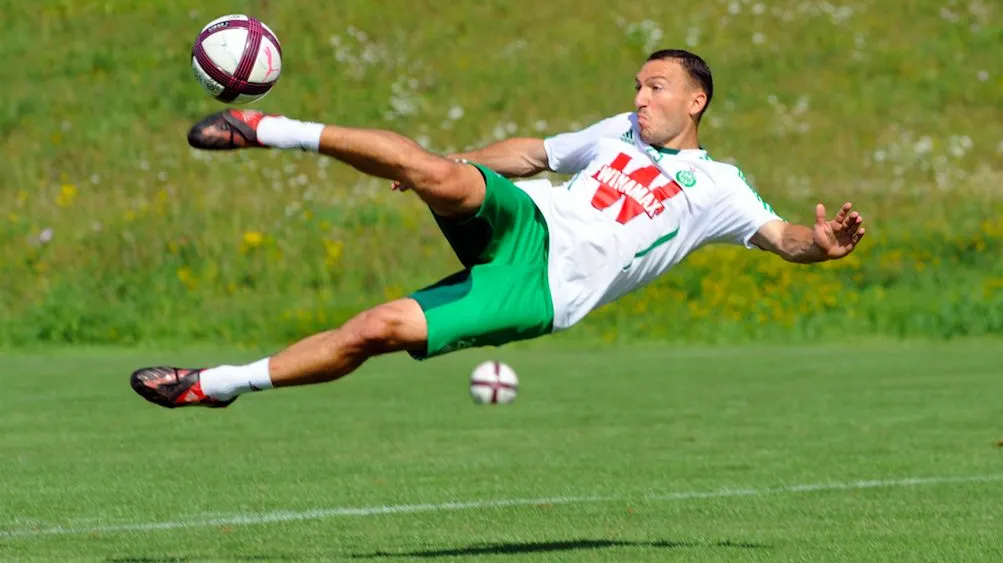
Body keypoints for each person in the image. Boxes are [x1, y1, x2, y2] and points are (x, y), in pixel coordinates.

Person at [130, 49, 865, 409]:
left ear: (696, 100)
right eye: (637, 85)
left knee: (374, 329)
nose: (638, 96)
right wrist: (447, 162)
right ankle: (267, 128)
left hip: (543, 286)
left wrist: (822, 246)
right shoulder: (615, 133)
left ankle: (215, 384)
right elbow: (531, 155)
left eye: (655, 86)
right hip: (531, 214)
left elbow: (781, 239)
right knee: (434, 168)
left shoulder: (719, 186)